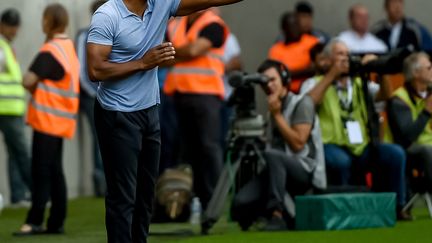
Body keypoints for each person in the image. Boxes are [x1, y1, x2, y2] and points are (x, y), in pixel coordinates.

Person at [86, 0, 245, 242]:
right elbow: (95, 70)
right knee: (123, 197)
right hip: (117, 113)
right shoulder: (107, 15)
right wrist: (143, 63)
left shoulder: (160, 4)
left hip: (150, 112)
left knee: (145, 196)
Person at [307, 39, 411, 220]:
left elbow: (385, 96)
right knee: (341, 162)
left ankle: (397, 207)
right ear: (327, 60)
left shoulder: (359, 83)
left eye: (348, 54)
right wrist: (332, 75)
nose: (345, 58)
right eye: (339, 54)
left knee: (395, 153)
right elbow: (307, 104)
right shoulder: (314, 82)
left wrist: (381, 71)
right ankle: (345, 210)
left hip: (362, 146)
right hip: (331, 144)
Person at [14, 3, 80, 235]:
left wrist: (35, 89)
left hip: (47, 120)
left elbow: (27, 79)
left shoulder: (51, 50)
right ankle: (56, 222)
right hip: (62, 120)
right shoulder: (68, 48)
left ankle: (34, 221)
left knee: (41, 172)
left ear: (49, 21)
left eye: (44, 19)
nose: (42, 23)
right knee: (55, 172)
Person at [163, 8, 229, 218]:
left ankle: (215, 203)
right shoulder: (175, 25)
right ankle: (190, 203)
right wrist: (179, 52)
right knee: (187, 153)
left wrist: (174, 53)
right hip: (179, 95)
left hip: (206, 96)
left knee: (209, 149)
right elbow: (163, 54)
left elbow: (193, 50)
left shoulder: (214, 25)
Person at [259, 59, 326, 230]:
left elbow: (298, 144)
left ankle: (277, 214)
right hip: (281, 168)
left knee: (273, 156)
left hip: (305, 169)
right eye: (264, 82)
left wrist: (277, 116)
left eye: (273, 79)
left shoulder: (302, 103)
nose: (269, 85)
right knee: (241, 205)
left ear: (284, 79)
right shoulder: (272, 108)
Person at [388, 52, 432, 193]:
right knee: (428, 150)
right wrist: (426, 112)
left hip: (428, 142)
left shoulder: (429, 93)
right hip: (410, 147)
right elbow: (408, 136)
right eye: (429, 68)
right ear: (416, 73)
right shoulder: (399, 99)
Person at [0, 8, 31, 206]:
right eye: (10, 26)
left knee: (14, 154)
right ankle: (38, 192)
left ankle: (19, 195)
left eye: (16, 26)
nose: (14, 30)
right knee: (23, 152)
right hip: (6, 108)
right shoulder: (1, 47)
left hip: (11, 107)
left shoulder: (6, 46)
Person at [75, 0, 106, 197]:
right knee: (99, 138)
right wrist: (94, 93)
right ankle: (100, 183)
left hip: (110, 96)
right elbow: (80, 69)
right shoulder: (84, 35)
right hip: (91, 96)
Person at [269, 12, 319, 93]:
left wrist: (289, 73)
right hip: (287, 93)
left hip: (311, 90)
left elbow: (317, 69)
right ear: (284, 29)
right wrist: (306, 70)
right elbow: (278, 75)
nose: (295, 28)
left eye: (297, 25)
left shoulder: (312, 42)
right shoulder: (276, 49)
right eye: (291, 26)